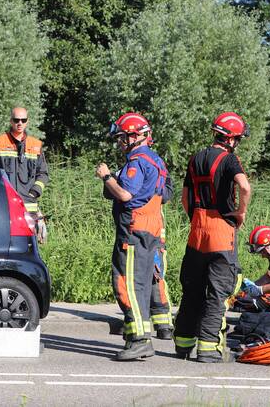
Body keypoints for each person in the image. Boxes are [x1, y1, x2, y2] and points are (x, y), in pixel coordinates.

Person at [174, 112, 252, 363]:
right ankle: (208, 349)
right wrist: (240, 212)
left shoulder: (195, 158)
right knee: (217, 294)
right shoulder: (229, 159)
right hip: (221, 232)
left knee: (192, 290)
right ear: (229, 138)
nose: (237, 143)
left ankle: (183, 344)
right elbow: (244, 186)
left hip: (197, 230)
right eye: (237, 138)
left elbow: (185, 198)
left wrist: (196, 219)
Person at [96, 112, 169, 361]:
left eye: (122, 137)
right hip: (150, 231)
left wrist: (106, 176)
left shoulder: (137, 162)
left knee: (127, 284)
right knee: (142, 285)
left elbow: (125, 195)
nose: (120, 142)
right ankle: (134, 335)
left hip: (134, 232)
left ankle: (140, 340)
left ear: (134, 136)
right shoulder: (156, 160)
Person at [0, 107, 49, 239]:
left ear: (27, 121)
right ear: (11, 121)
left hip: (29, 209)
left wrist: (34, 192)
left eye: (23, 120)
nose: (20, 123)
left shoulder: (36, 145)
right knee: (5, 243)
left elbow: (43, 174)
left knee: (28, 246)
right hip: (5, 207)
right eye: (16, 120)